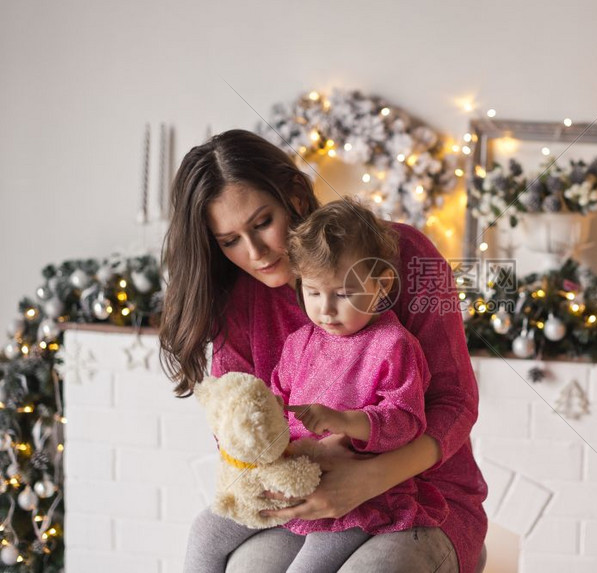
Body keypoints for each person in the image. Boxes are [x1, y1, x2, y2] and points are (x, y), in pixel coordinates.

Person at [159, 129, 487, 572]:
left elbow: (456, 401)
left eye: (261, 223)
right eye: (230, 240)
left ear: (294, 195)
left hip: (421, 504)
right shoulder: (238, 300)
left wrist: (366, 478)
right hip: (300, 503)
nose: (254, 253)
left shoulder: (403, 254)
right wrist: (299, 462)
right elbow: (238, 425)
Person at [183, 198, 451, 572]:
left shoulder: (393, 345)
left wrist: (347, 423)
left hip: (362, 501)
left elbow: (407, 419)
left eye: (342, 294)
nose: (325, 309)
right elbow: (277, 401)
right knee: (206, 531)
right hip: (295, 478)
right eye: (312, 292)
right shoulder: (301, 342)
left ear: (381, 285)